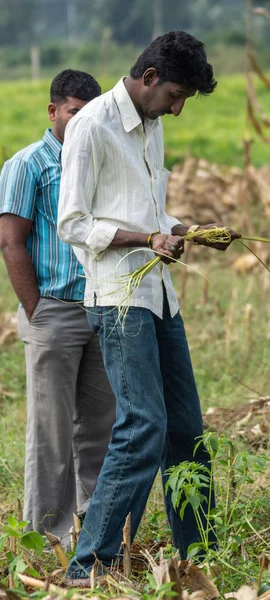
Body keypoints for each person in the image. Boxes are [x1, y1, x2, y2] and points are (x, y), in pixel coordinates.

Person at [57, 31, 240, 580]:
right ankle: (89, 565)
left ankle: (197, 554)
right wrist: (144, 239)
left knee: (187, 430)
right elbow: (73, 223)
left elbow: (151, 212)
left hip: (159, 297)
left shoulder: (153, 127)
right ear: (150, 77)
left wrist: (187, 230)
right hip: (118, 298)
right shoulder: (91, 126)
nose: (178, 110)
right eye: (176, 95)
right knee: (143, 425)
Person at [0, 70, 116, 547]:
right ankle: (48, 535)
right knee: (50, 431)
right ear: (53, 112)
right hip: (54, 312)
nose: (81, 121)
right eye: (73, 112)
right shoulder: (29, 165)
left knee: (100, 424)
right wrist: (37, 310)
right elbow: (11, 242)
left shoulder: (96, 161)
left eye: (89, 113)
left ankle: (94, 527)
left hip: (100, 308)